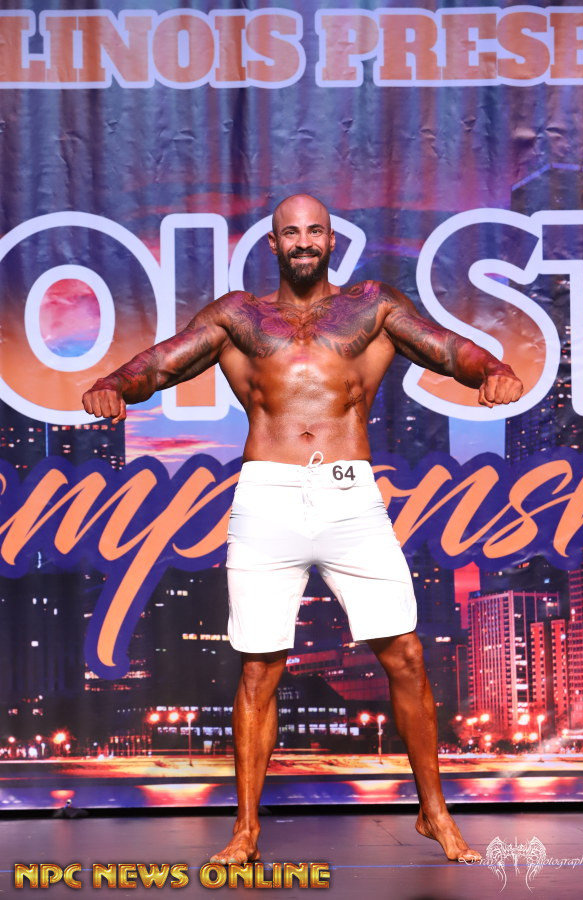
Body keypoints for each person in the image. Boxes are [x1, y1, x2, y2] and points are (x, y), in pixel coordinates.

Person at [82, 193, 523, 866]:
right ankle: (246, 831)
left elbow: (445, 348)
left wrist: (491, 368)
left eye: (315, 230)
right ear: (273, 243)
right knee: (259, 667)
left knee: (405, 655)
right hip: (269, 498)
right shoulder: (239, 316)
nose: (304, 241)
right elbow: (164, 362)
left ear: (332, 240)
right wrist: (116, 381)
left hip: (350, 497)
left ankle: (434, 811)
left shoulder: (371, 307)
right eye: (291, 232)